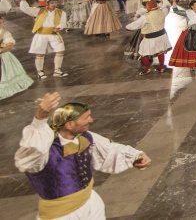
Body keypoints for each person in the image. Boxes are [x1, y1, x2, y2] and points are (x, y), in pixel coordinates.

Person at [15, 92, 152, 220]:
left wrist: (135, 156)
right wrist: (40, 118)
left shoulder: (86, 137)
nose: (91, 120)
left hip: (90, 201)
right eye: (86, 117)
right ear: (69, 124)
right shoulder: (45, 151)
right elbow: (33, 149)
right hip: (61, 214)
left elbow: (109, 149)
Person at [20, 0, 69, 80]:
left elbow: (63, 22)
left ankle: (57, 71)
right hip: (41, 35)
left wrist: (59, 27)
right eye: (52, 3)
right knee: (40, 53)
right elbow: (25, 9)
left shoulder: (61, 12)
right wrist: (23, 0)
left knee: (60, 51)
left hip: (53, 34)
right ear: (47, 4)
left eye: (55, 3)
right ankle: (40, 72)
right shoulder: (39, 11)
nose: (54, 4)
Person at [125, 0, 172, 75]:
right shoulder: (162, 12)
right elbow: (167, 6)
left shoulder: (146, 17)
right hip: (162, 36)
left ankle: (147, 69)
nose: (146, 8)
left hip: (150, 38)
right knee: (161, 51)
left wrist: (127, 27)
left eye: (147, 6)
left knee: (143, 53)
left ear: (149, 7)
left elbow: (136, 24)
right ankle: (162, 67)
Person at [0, 15, 34, 99]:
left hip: (3, 57)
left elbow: (10, 45)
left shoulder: (4, 33)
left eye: (1, 23)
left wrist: (1, 50)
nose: (1, 24)